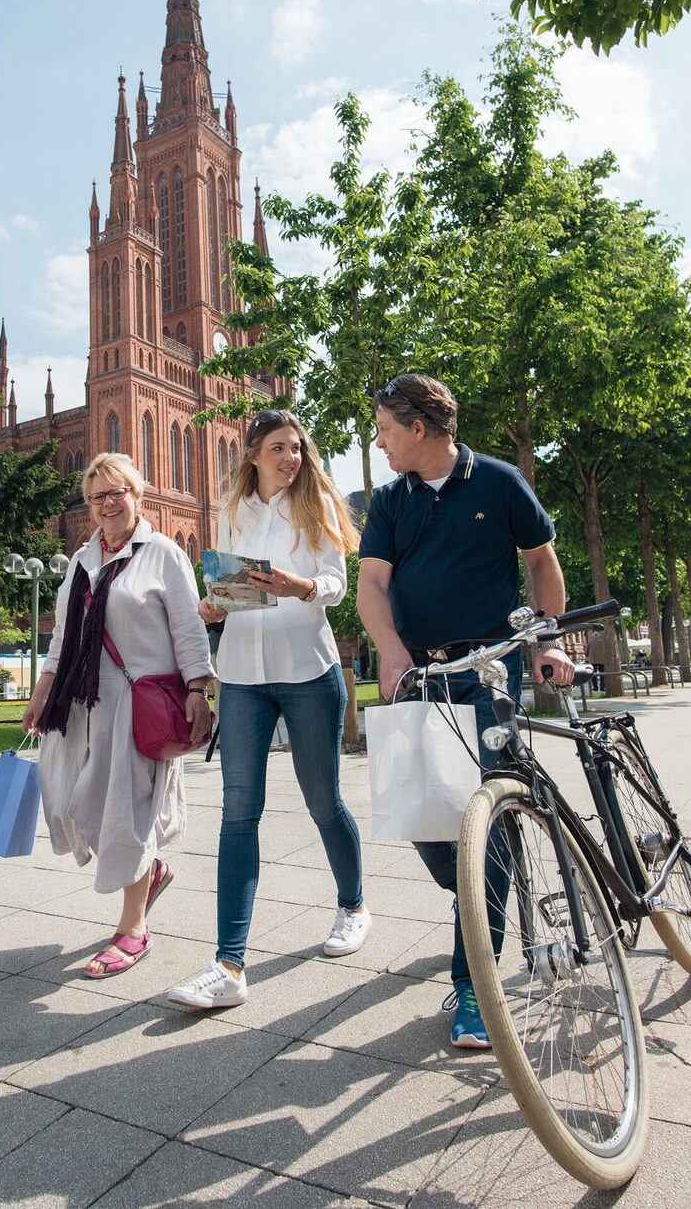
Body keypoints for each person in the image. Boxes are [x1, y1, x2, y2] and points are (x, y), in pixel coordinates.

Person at [357, 374, 574, 1049]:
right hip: (419, 673)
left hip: (489, 670)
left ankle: (473, 986)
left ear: (417, 428)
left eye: (385, 430)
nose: (378, 442)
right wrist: (389, 652)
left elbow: (540, 561)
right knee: (424, 818)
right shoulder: (389, 500)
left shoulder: (501, 482)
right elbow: (370, 583)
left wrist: (547, 636)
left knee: (485, 820)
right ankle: (478, 903)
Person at [168, 409, 369, 1009]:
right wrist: (214, 607)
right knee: (238, 815)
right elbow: (235, 593)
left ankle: (353, 905)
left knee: (322, 801)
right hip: (244, 679)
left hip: (309, 671)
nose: (292, 458)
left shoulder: (318, 508)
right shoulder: (231, 512)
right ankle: (229, 966)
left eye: (298, 448)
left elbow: (335, 583)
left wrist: (301, 587)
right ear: (253, 452)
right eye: (279, 448)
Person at [22, 452, 213, 978]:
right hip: (80, 705)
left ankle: (133, 927)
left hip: (138, 705)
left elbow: (188, 629)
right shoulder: (82, 560)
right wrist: (41, 692)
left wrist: (198, 687)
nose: (108, 502)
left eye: (117, 491)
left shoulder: (163, 554)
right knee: (69, 800)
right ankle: (148, 873)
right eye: (97, 495)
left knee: (126, 812)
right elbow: (63, 635)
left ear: (137, 493)